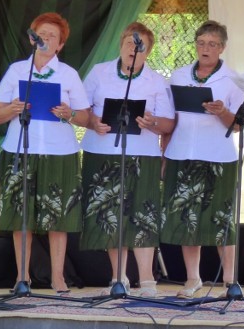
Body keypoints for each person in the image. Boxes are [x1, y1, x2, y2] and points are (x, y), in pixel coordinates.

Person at [0, 12, 90, 295]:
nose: (46, 39)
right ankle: (23, 277)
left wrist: (69, 113)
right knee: (21, 216)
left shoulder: (68, 74)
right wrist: (14, 108)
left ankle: (58, 278)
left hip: (61, 153)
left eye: (52, 37)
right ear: (32, 38)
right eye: (41, 34)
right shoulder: (17, 71)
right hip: (20, 149)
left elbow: (84, 117)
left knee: (59, 217)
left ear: (60, 45)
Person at [79, 22, 175, 297]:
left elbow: (168, 124)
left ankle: (147, 281)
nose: (134, 49)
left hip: (142, 155)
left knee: (142, 215)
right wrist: (94, 122)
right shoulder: (99, 73)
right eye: (130, 43)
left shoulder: (156, 81)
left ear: (148, 52)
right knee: (111, 215)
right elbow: (82, 111)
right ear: (120, 45)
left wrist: (152, 122)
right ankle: (118, 278)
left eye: (140, 45)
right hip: (103, 153)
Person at [160, 20, 244, 299]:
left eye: (212, 44)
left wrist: (221, 112)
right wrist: (163, 152)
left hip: (218, 157)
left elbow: (238, 125)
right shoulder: (179, 75)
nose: (205, 48)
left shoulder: (232, 79)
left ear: (222, 47)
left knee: (222, 219)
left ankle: (230, 281)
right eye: (201, 43)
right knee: (187, 217)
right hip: (181, 153)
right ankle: (192, 278)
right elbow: (171, 120)